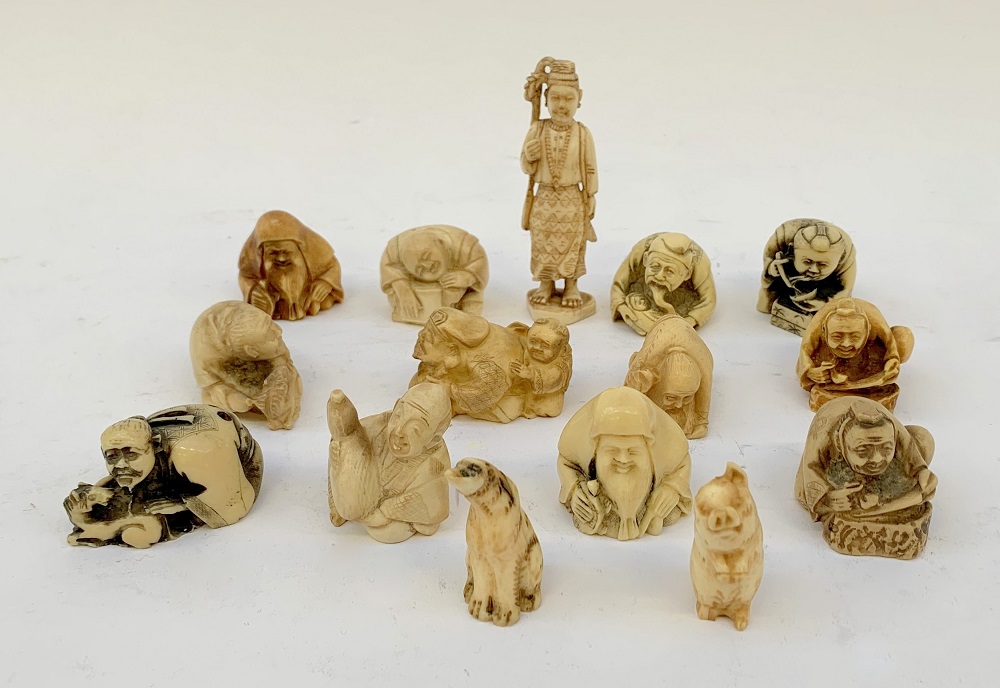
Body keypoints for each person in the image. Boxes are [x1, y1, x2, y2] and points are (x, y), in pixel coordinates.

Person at [64, 405, 263, 548]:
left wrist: (182, 504)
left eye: (131, 455)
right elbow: (117, 483)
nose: (121, 465)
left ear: (156, 445)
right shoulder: (144, 453)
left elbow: (233, 507)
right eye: (112, 457)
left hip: (237, 464)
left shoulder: (194, 454)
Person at [795, 397, 937, 559]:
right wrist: (827, 499)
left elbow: (913, 456)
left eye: (886, 449)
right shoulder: (822, 436)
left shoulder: (894, 430)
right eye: (863, 451)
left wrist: (922, 472)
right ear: (841, 445)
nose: (877, 459)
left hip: (888, 478)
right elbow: (811, 472)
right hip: (839, 473)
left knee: (922, 438)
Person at [557, 387, 691, 541]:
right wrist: (574, 489)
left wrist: (672, 488)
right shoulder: (579, 445)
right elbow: (565, 461)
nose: (623, 459)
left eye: (633, 451)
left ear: (648, 449)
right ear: (596, 449)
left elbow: (682, 463)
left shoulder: (668, 451)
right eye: (612, 450)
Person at [328, 383, 453, 544]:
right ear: (395, 408)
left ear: (434, 439)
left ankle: (398, 520)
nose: (399, 432)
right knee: (342, 446)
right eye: (398, 416)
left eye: (415, 429)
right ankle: (345, 505)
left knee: (390, 532)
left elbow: (428, 498)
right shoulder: (378, 424)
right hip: (368, 490)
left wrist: (385, 512)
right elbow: (348, 435)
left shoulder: (436, 462)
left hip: (389, 510)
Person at [521, 58, 597, 310]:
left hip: (571, 198)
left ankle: (571, 285)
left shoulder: (582, 133)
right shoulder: (537, 130)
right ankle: (546, 284)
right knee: (543, 243)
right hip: (544, 198)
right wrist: (529, 156)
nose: (561, 105)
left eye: (568, 99)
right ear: (545, 99)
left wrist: (591, 195)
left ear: (579, 99)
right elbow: (526, 167)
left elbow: (590, 167)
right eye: (555, 98)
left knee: (573, 243)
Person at [190, 300, 302, 430]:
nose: (279, 330)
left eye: (271, 323)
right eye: (271, 335)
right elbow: (212, 391)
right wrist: (244, 402)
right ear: (252, 352)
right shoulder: (207, 358)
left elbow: (283, 359)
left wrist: (281, 369)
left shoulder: (250, 317)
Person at [797, 297, 913, 412]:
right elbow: (805, 351)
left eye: (855, 337)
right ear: (825, 331)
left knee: (903, 338)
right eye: (837, 336)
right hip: (828, 355)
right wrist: (810, 372)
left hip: (870, 354)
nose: (846, 344)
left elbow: (892, 351)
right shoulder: (819, 325)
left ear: (867, 332)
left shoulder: (876, 325)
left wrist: (892, 364)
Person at [410, 308, 525, 423]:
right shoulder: (449, 356)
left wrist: (450, 389)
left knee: (507, 406)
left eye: (429, 339)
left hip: (503, 390)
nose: (420, 335)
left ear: (452, 350)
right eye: (424, 329)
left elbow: (486, 392)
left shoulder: (485, 367)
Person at [238, 210, 344, 320]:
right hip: (273, 300)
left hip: (307, 296)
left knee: (325, 303)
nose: (281, 258)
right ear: (262, 255)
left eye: (287, 252)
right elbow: (245, 275)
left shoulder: (316, 255)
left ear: (301, 251)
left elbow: (332, 265)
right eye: (273, 253)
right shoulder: (254, 263)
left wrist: (326, 282)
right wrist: (253, 291)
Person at [756, 219, 856, 335]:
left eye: (823, 264)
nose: (814, 270)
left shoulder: (847, 255)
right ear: (792, 251)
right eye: (807, 262)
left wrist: (825, 302)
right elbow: (768, 260)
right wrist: (770, 270)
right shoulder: (782, 236)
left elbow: (845, 290)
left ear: (839, 260)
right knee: (765, 301)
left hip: (826, 285)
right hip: (787, 274)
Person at [624, 314, 713, 439]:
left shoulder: (704, 366)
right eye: (671, 397)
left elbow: (703, 406)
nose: (679, 405)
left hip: (689, 336)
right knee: (639, 379)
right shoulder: (646, 361)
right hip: (661, 328)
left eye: (687, 398)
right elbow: (627, 398)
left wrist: (701, 422)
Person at [380, 224, 489, 324]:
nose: (427, 266)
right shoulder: (393, 249)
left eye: (427, 256)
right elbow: (387, 267)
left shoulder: (464, 244)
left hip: (462, 290)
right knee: (396, 296)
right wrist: (402, 288)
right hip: (423, 294)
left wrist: (468, 276)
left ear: (442, 244)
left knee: (471, 300)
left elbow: (479, 261)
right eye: (420, 269)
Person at [611, 232, 716, 335]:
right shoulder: (640, 251)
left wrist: (689, 321)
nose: (659, 276)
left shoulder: (700, 267)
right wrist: (621, 306)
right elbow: (618, 284)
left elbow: (708, 301)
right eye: (655, 266)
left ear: (687, 274)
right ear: (646, 259)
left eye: (669, 271)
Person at [508, 319, 572, 418]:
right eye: (533, 342)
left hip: (547, 395)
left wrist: (530, 374)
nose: (537, 348)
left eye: (545, 346)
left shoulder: (560, 366)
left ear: (562, 349)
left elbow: (553, 378)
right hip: (526, 387)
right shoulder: (529, 350)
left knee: (548, 407)